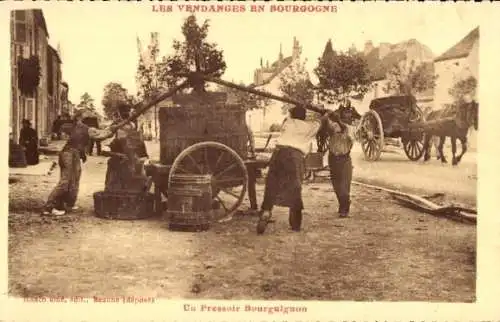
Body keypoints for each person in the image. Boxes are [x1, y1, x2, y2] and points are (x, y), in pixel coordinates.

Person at [256, 106, 325, 234]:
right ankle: (295, 224)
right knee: (295, 187)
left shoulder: (287, 122)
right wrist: (324, 113)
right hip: (294, 157)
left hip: (278, 154)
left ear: (292, 115)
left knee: (272, 184)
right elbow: (320, 122)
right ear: (304, 116)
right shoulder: (310, 127)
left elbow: (289, 118)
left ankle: (266, 211)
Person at [42, 110, 117, 216]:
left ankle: (67, 204)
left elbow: (82, 141)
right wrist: (113, 129)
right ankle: (49, 207)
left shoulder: (77, 127)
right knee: (65, 181)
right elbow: (101, 135)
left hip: (73, 154)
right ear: (79, 118)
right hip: (68, 154)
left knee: (74, 180)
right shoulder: (83, 128)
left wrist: (82, 154)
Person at [104, 105, 150, 192]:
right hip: (121, 160)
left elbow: (142, 154)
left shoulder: (127, 129)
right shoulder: (120, 130)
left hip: (129, 161)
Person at [320, 109, 355, 218]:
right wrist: (326, 115)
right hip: (333, 159)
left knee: (344, 186)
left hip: (345, 159)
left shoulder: (349, 129)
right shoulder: (333, 128)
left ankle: (344, 208)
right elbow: (325, 125)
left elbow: (349, 134)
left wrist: (338, 122)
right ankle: (343, 205)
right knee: (336, 185)